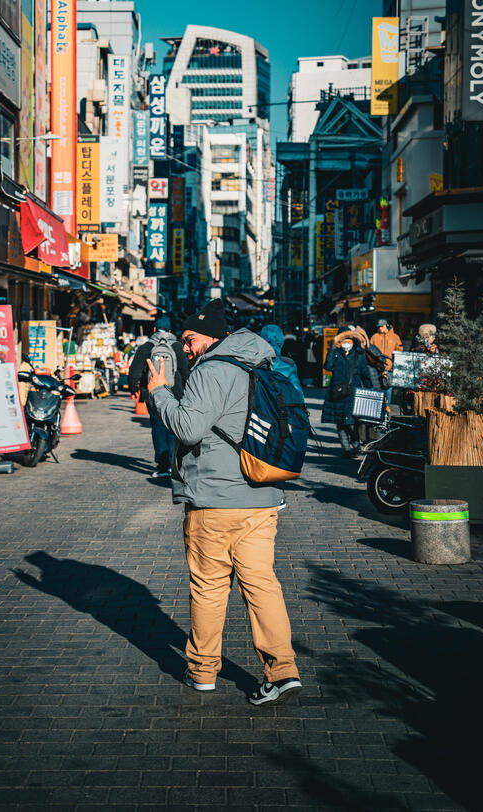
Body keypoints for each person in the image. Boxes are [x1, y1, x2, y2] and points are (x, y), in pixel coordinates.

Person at [146, 298, 301, 706]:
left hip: (215, 500)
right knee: (262, 584)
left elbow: (188, 427)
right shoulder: (261, 364)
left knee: (210, 587)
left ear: (212, 336)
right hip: (262, 495)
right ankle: (282, 670)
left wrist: (160, 392)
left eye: (190, 339)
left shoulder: (212, 370)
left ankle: (202, 672)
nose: (186, 348)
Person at [128, 316, 189, 478]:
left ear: (154, 330)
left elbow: (135, 371)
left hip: (152, 394)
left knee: (158, 427)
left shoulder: (145, 347)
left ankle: (162, 465)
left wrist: (134, 389)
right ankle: (173, 463)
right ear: (170, 331)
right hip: (175, 393)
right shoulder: (177, 347)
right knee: (173, 427)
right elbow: (185, 372)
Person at [321, 329, 374, 455]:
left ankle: (355, 445)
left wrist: (370, 388)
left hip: (353, 393)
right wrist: (332, 349)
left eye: (348, 341)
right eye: (343, 341)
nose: (346, 343)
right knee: (340, 423)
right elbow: (327, 366)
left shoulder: (358, 355)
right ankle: (346, 449)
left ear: (353, 341)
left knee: (351, 423)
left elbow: (365, 373)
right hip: (337, 392)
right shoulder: (335, 353)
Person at [260, 324, 304, 396]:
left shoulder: (253, 362)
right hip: (282, 404)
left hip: (260, 405)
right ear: (280, 340)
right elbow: (298, 392)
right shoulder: (289, 365)